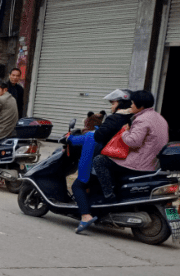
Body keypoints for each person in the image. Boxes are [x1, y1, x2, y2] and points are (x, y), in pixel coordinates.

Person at [91, 89, 170, 205]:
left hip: (140, 163)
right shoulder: (158, 117)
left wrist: (125, 132)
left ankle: (109, 196)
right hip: (153, 161)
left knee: (99, 160)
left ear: (141, 105)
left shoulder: (142, 119)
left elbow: (133, 142)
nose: (131, 105)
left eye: (133, 103)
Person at [72, 89, 133, 232]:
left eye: (113, 103)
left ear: (120, 103)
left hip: (107, 158)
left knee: (78, 185)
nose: (111, 106)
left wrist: (75, 137)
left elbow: (98, 136)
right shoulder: (130, 118)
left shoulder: (115, 118)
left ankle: (85, 216)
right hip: (121, 160)